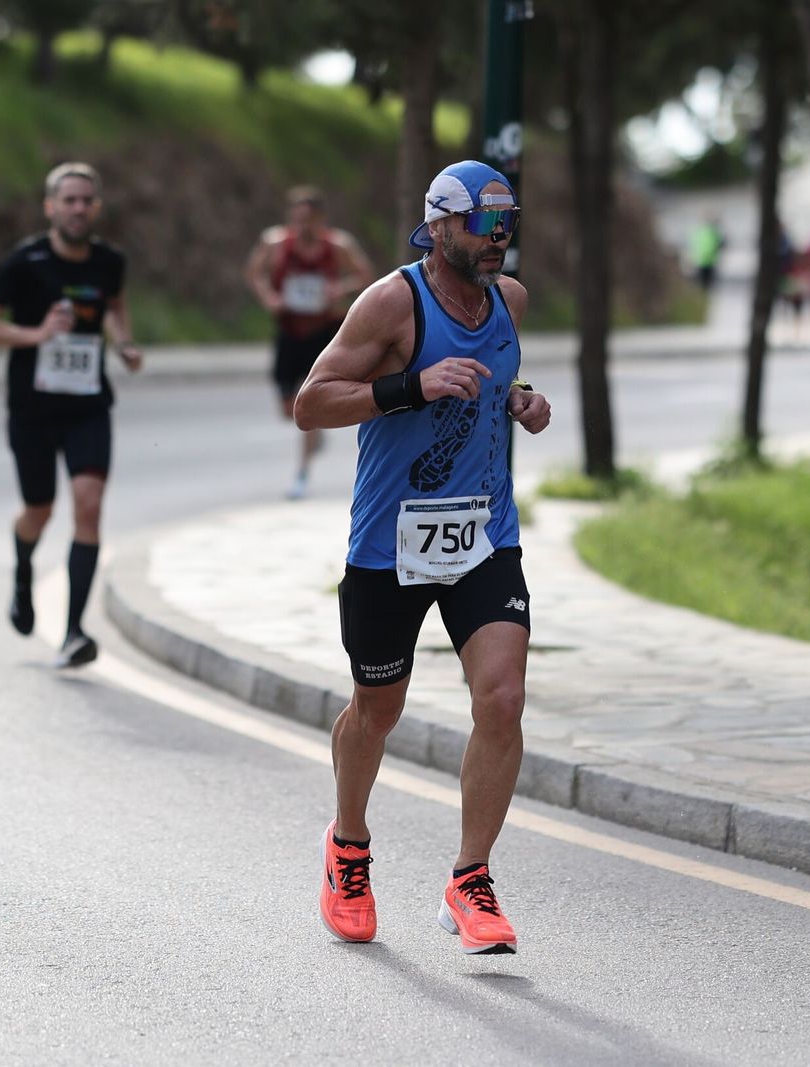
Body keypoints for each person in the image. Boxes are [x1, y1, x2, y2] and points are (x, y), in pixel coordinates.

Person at [294, 160, 551, 955]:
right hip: (390, 545)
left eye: (506, 225)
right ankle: (348, 849)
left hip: (482, 533)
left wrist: (520, 399)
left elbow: (498, 377)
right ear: (439, 227)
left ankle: (470, 877)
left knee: (502, 698)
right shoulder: (391, 302)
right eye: (482, 224)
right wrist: (412, 384)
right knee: (377, 710)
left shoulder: (508, 301)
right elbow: (311, 403)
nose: (497, 240)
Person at [0, 162, 143, 669]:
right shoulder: (25, 262)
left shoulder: (110, 261)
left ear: (97, 207)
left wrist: (124, 343)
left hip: (88, 405)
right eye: (69, 200)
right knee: (38, 511)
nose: (78, 208)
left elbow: (114, 305)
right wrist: (34, 335)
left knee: (88, 504)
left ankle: (72, 632)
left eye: (87, 199)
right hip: (33, 409)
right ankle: (22, 571)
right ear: (50, 207)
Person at [244, 185, 373, 499]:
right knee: (287, 407)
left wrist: (338, 290)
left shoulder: (338, 245)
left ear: (321, 219)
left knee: (309, 400)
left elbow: (364, 275)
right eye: (297, 219)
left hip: (323, 331)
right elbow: (253, 272)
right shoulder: (275, 242)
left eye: (309, 219)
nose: (303, 226)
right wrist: (269, 297)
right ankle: (315, 433)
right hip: (289, 330)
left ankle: (301, 472)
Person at [690, 215, 725, 290]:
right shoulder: (713, 232)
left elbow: (692, 245)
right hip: (708, 261)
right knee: (707, 283)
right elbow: (721, 244)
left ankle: (702, 296)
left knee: (702, 283)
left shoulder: (698, 231)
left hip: (700, 261)